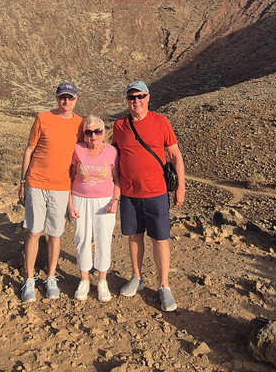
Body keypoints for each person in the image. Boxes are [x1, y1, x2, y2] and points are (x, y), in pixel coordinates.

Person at [112, 80, 186, 312]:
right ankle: (137, 277)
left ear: (148, 98)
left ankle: (163, 285)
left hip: (156, 193)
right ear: (127, 101)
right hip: (130, 193)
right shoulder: (120, 125)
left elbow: (175, 155)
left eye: (140, 96)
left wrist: (181, 186)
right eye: (132, 97)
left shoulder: (161, 122)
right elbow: (113, 157)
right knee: (134, 237)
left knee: (160, 239)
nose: (136, 101)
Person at [19, 82, 83, 302]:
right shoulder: (43, 118)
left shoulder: (80, 124)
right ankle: (29, 280)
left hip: (61, 186)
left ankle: (51, 277)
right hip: (36, 182)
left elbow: (81, 156)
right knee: (34, 232)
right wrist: (22, 181)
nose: (66, 101)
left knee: (55, 233)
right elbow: (30, 150)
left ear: (76, 99)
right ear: (57, 99)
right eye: (62, 97)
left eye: (70, 98)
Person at [67, 115, 120, 302]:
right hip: (80, 198)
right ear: (84, 134)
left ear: (104, 132)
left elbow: (117, 179)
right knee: (81, 238)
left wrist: (115, 199)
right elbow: (70, 177)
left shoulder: (112, 151)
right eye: (89, 132)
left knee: (103, 238)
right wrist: (70, 203)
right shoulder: (77, 150)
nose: (93, 136)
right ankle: (84, 279)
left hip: (105, 201)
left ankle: (102, 280)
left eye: (97, 131)